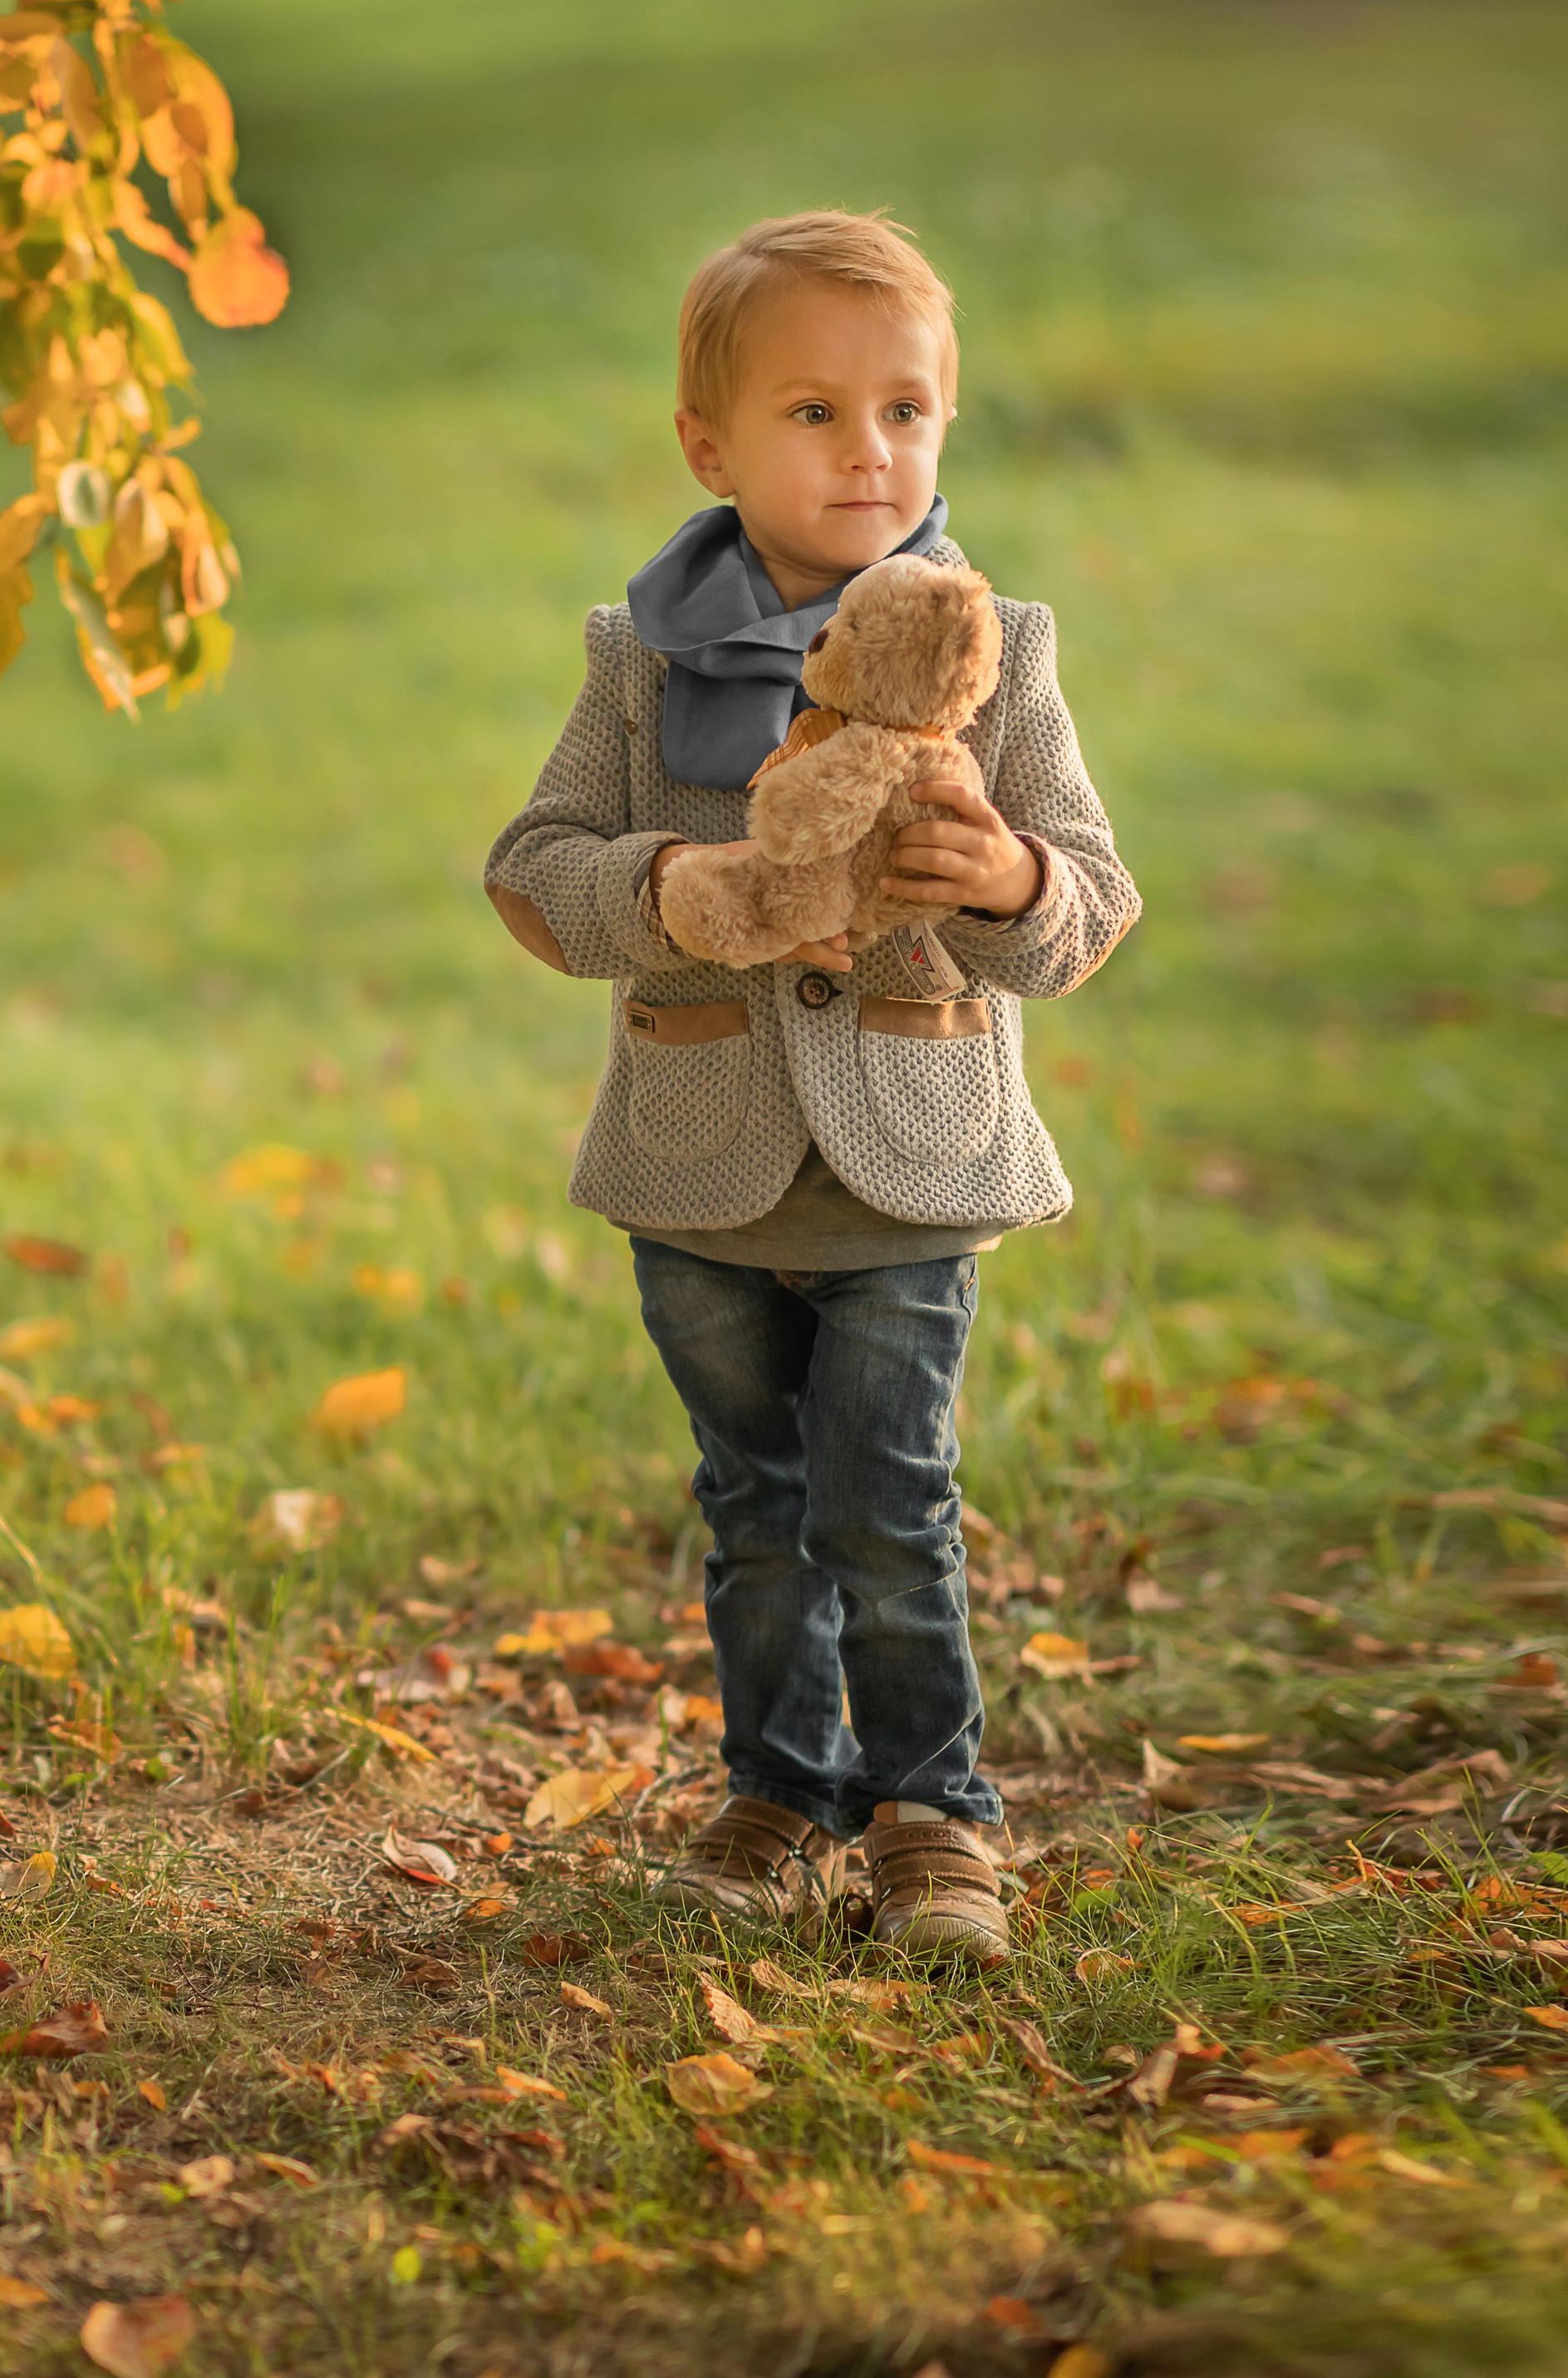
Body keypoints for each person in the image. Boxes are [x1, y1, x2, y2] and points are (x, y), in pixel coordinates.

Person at [484, 211, 1140, 1959]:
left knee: (886, 1497)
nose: (868, 451)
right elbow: (529, 861)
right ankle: (779, 1783)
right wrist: (654, 891)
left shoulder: (990, 646)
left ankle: (935, 1811)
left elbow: (1086, 903)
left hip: (907, 1156)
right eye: (812, 413)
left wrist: (1001, 880)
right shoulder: (640, 655)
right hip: (697, 1153)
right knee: (754, 1507)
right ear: (707, 443)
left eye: (905, 411)